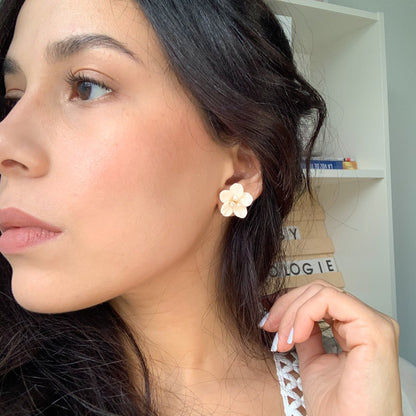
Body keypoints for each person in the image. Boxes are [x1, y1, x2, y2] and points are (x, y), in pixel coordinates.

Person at [0, 0, 402, 415]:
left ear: (238, 173)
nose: (5, 141)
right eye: (13, 98)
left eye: (87, 86)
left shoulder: (353, 389)